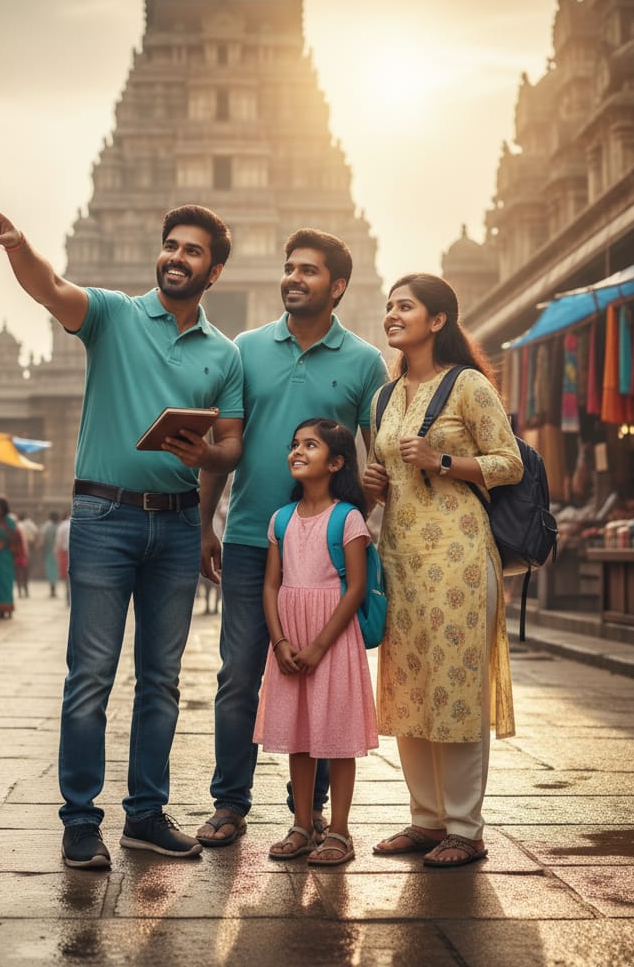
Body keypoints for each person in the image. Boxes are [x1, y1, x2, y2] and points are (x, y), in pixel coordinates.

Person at [0, 198, 244, 870]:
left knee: (161, 679)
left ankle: (146, 815)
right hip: (104, 517)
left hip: (178, 520)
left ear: (213, 273)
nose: (176, 257)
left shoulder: (225, 353)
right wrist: (17, 246)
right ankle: (80, 820)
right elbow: (51, 288)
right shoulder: (113, 315)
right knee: (90, 675)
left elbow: (232, 443)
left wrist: (203, 456)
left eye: (192, 251)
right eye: (171, 246)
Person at [197, 228, 387, 848]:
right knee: (239, 674)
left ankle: (311, 814)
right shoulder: (244, 350)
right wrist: (205, 523)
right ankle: (230, 802)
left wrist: (378, 495)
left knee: (324, 681)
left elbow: (376, 453)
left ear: (336, 287)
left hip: (331, 552)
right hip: (256, 536)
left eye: (308, 270)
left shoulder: (364, 361)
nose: (293, 278)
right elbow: (222, 448)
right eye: (289, 267)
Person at [362, 273, 523, 867]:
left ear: (437, 321)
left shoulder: (468, 386)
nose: (392, 315)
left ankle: (465, 827)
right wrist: (372, 486)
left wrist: (445, 460)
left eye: (405, 306)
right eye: (389, 307)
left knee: (455, 685)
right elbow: (388, 479)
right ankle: (424, 819)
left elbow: (509, 463)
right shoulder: (385, 395)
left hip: (459, 555)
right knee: (406, 684)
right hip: (400, 556)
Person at [255, 419, 378, 865]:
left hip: (332, 640)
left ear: (338, 461)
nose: (298, 451)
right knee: (299, 736)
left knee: (338, 736)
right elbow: (271, 586)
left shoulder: (348, 518)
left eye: (311, 445)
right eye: (294, 444)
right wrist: (280, 641)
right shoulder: (280, 520)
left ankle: (340, 831)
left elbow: (356, 588)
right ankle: (302, 824)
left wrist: (319, 646)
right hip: (290, 639)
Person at [15, 513, 39, 598]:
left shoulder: (17, 525)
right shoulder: (29, 524)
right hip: (26, 548)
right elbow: (36, 532)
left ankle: (20, 592)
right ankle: (26, 591)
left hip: (18, 551)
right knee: (25, 571)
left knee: (18, 572)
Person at [39, 511, 60, 598]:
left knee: (51, 570)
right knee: (54, 570)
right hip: (56, 552)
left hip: (49, 551)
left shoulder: (47, 526)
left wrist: (40, 546)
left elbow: (42, 537)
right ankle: (53, 590)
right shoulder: (57, 526)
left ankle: (52, 590)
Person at [55, 510, 71, 606]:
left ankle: (68, 597)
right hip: (77, 552)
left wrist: (57, 552)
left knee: (67, 577)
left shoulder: (62, 526)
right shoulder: (78, 522)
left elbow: (58, 542)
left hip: (65, 553)